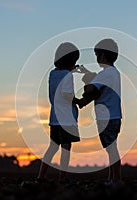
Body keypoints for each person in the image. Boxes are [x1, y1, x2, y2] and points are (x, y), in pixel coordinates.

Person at [78, 38, 122, 185]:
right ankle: (112, 178)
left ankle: (116, 179)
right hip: (115, 116)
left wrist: (86, 86)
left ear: (102, 55)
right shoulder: (113, 72)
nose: (97, 59)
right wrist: (87, 73)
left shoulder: (106, 73)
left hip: (106, 117)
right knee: (112, 147)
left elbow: (91, 89)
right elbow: (99, 85)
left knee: (111, 149)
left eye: (97, 55)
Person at [37, 42, 81, 183]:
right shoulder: (68, 75)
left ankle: (41, 176)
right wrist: (78, 101)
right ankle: (63, 178)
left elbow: (59, 84)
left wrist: (71, 71)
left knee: (52, 147)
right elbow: (67, 94)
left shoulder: (53, 73)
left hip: (54, 118)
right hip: (67, 119)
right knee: (66, 149)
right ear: (71, 61)